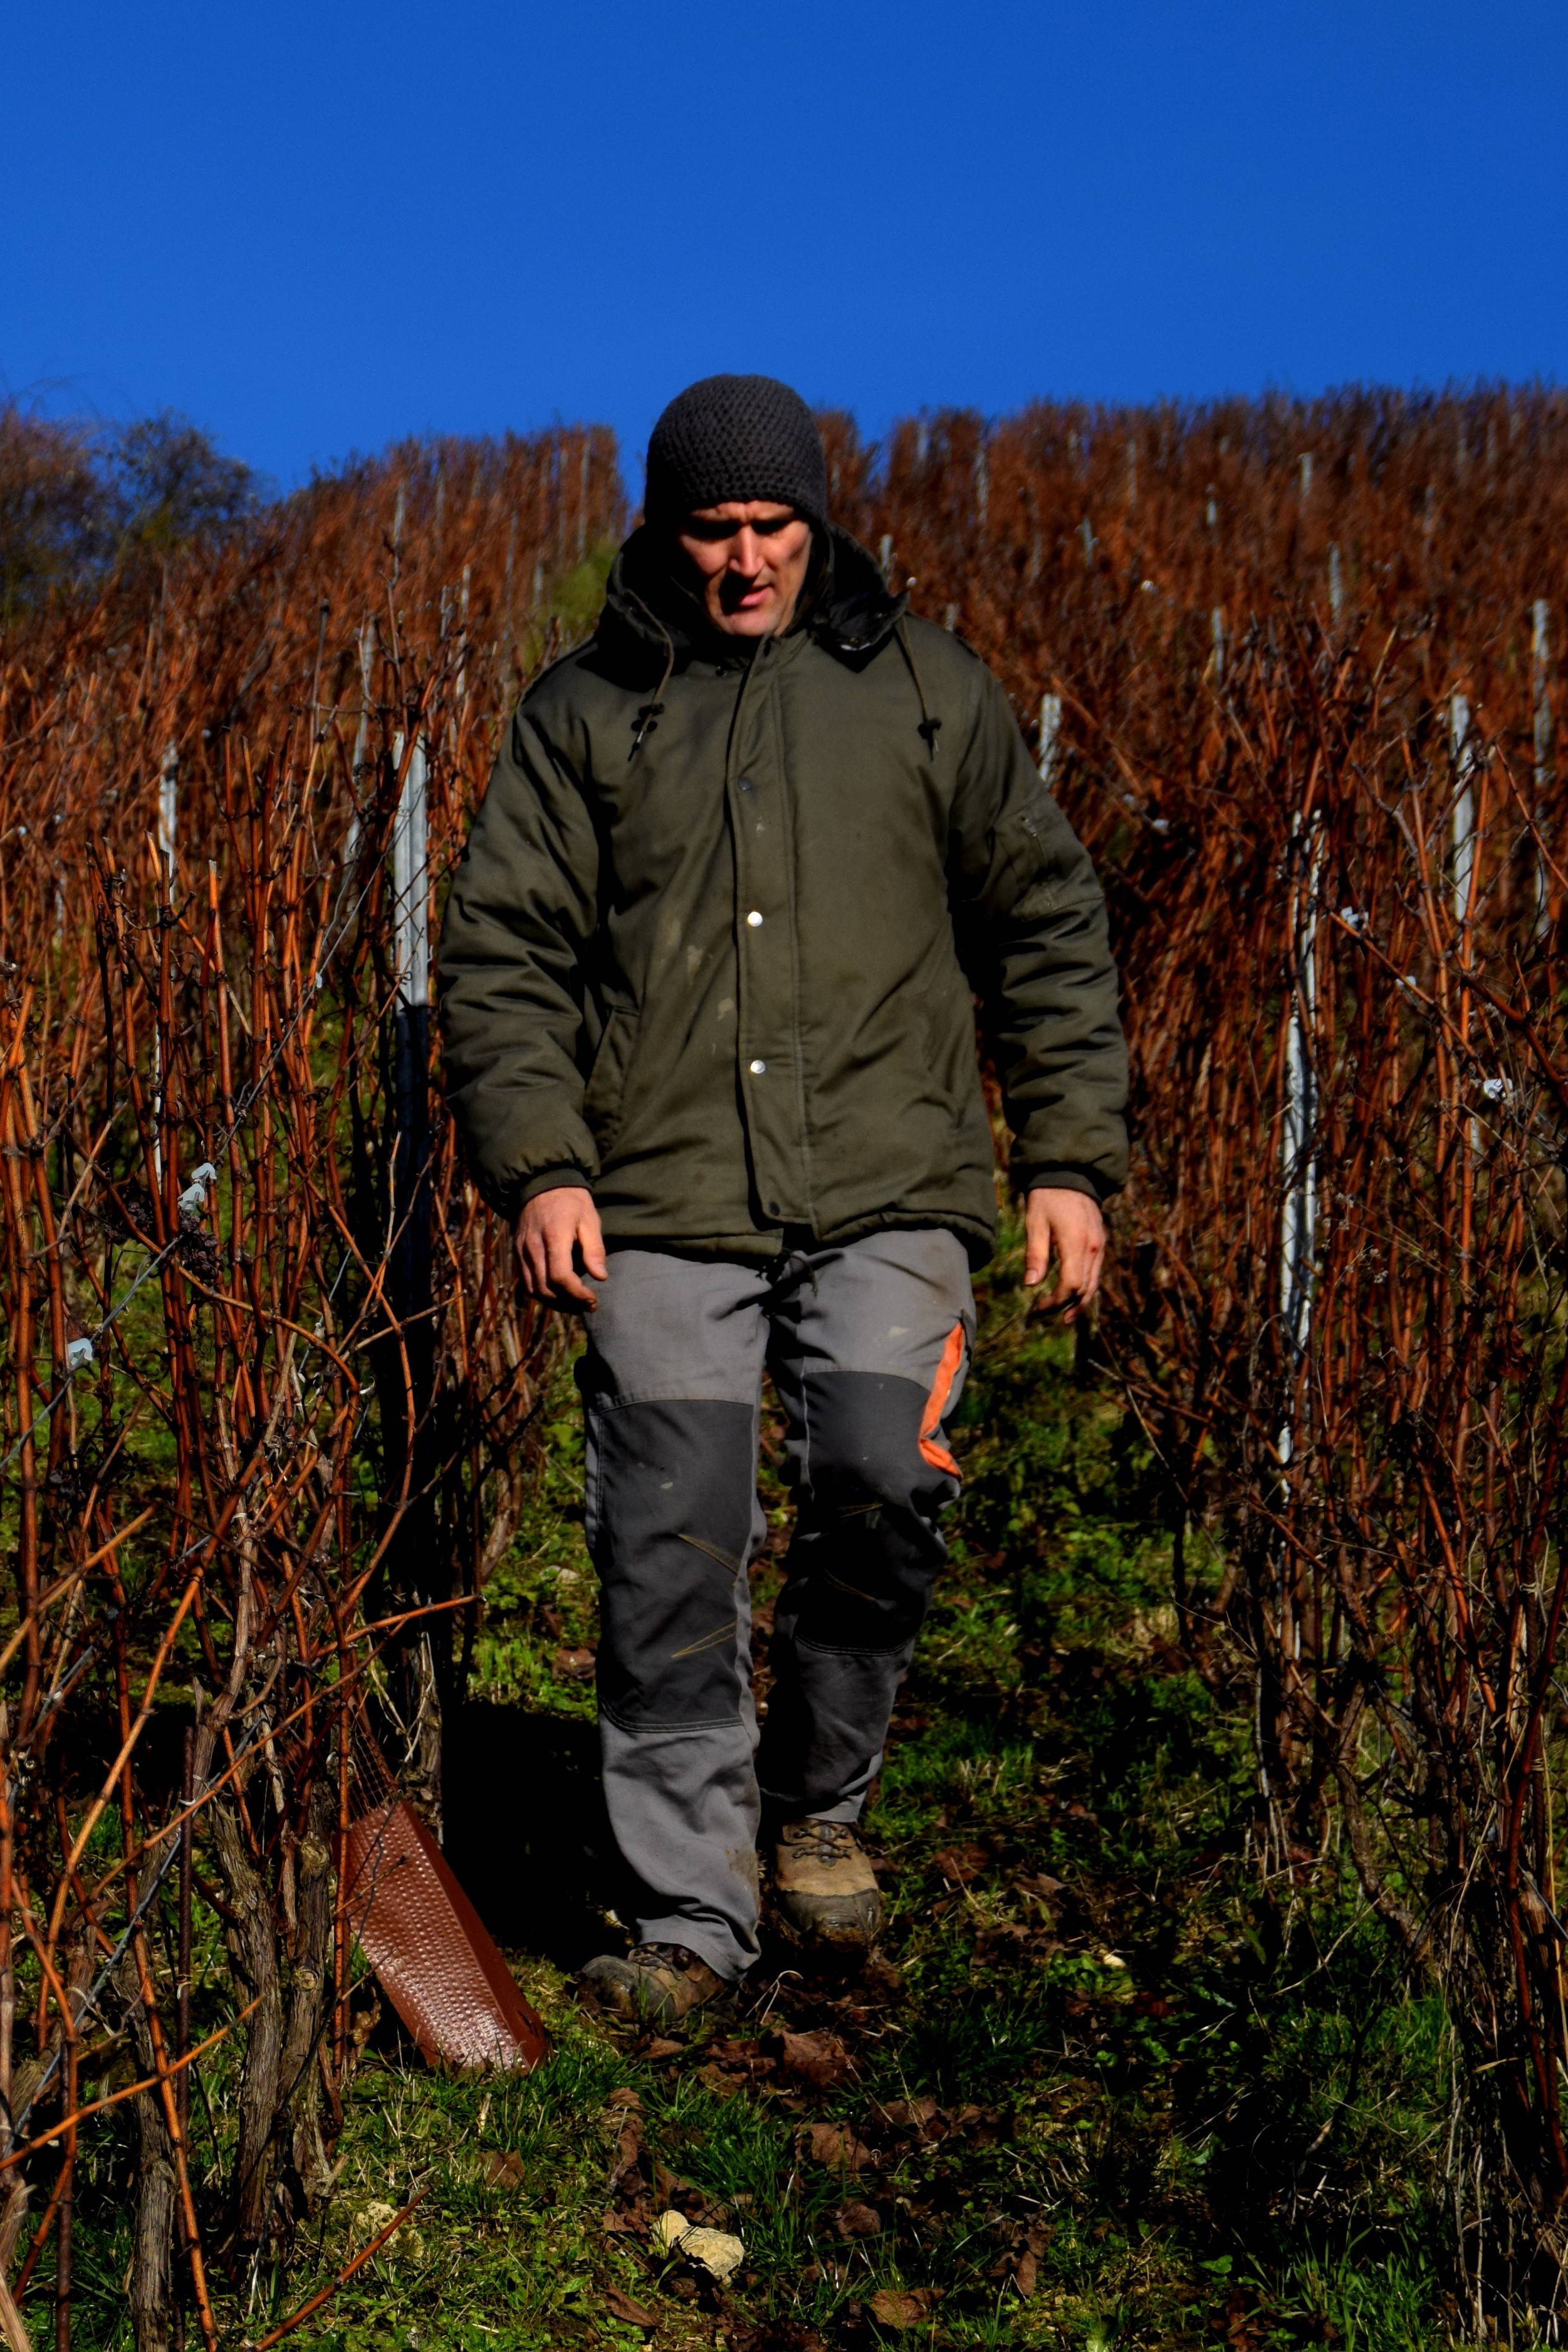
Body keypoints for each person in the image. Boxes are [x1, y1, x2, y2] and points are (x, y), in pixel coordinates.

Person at [436, 374, 1129, 2027]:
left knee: (884, 1480)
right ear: (663, 532)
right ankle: (691, 1913)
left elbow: (1045, 920)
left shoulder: (928, 691)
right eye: (713, 530)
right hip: (661, 1194)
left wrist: (1068, 1158)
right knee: (670, 1540)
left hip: (895, 1175)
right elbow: (505, 952)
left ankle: (817, 1807)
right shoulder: (587, 711)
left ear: (817, 520)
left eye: (772, 525)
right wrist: (542, 1164)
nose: (746, 560)